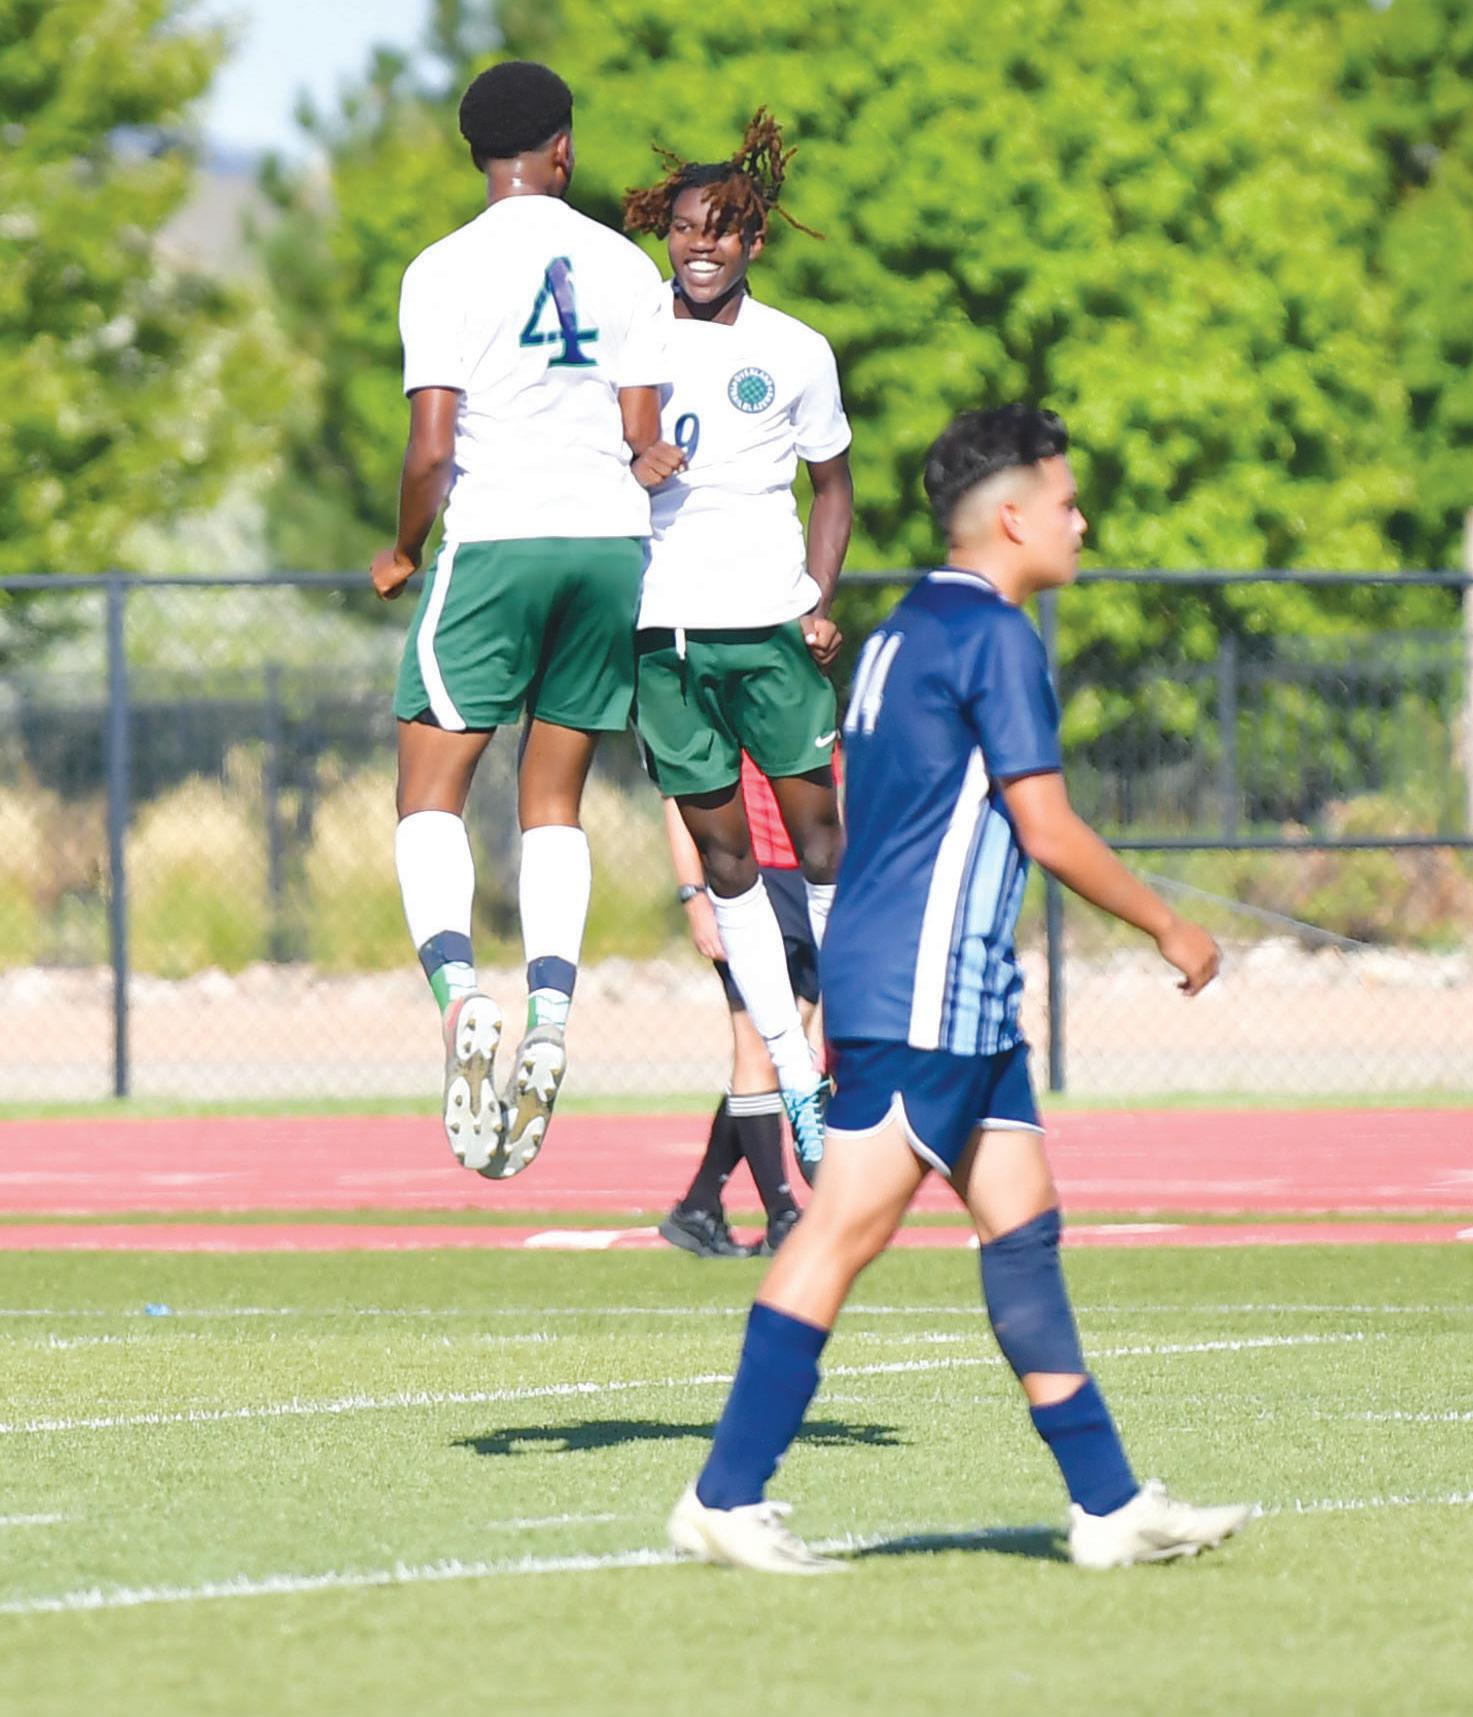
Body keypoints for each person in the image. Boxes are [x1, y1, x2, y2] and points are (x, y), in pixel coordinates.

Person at [668, 404, 1254, 1574]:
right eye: (1068, 502)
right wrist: (1170, 924)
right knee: (843, 1228)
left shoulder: (903, 629)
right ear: (1013, 516)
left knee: (1023, 1231)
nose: (1082, 523)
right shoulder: (994, 636)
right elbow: (1047, 826)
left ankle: (1109, 1504)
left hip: (952, 988)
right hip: (923, 989)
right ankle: (723, 1496)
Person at [371, 61, 671, 1181]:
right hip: (608, 546)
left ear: (475, 154)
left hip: (499, 541)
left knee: (428, 791)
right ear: (562, 148)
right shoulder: (626, 265)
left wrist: (407, 547)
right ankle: (549, 1015)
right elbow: (642, 433)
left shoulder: (442, 268)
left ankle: (461, 997)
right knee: (554, 798)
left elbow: (432, 449)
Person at [621, 110, 851, 1186]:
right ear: (665, 235)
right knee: (725, 864)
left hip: (766, 627)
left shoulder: (795, 350)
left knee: (820, 844)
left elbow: (832, 487)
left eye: (720, 230)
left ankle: (856, 1034)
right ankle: (797, 1076)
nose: (699, 246)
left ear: (753, 241)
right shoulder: (627, 340)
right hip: (660, 635)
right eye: (684, 228)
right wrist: (629, 461)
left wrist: (818, 597)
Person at [659, 755, 821, 1259]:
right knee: (759, 1051)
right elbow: (678, 792)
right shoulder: (723, 707)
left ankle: (699, 1206)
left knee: (791, 1051)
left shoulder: (827, 709)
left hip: (814, 876)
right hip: (749, 881)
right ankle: (782, 1215)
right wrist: (694, 896)